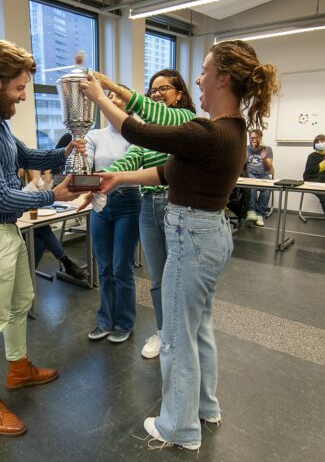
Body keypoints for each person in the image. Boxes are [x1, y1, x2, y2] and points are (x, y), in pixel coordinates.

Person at [81, 40, 279, 450]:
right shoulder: (231, 130)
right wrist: (118, 178)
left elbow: (136, 128)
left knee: (175, 337)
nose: (198, 79)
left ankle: (179, 428)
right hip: (208, 234)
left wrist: (101, 97)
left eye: (205, 71)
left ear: (224, 78)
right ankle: (205, 407)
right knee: (197, 330)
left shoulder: (208, 131)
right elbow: (167, 173)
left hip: (192, 238)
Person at [0, 39, 81, 437]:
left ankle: (19, 369)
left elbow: (24, 158)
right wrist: (52, 196)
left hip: (3, 231)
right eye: (20, 88)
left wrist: (65, 152)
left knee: (21, 302)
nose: (23, 96)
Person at [99, 69, 196, 358]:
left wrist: (107, 86)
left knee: (181, 276)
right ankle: (164, 332)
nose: (156, 94)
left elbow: (158, 113)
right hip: (148, 206)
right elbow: (132, 158)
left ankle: (184, 336)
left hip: (177, 204)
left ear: (179, 94)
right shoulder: (149, 133)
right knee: (157, 278)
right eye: (152, 89)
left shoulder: (184, 120)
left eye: (163, 88)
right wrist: (100, 177)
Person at [85, 89, 141, 344]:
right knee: (105, 267)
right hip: (100, 205)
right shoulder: (94, 134)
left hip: (128, 202)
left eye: (119, 98)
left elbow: (133, 167)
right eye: (108, 96)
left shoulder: (136, 133)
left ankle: (124, 322)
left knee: (122, 267)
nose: (113, 100)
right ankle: (105, 321)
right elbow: (86, 165)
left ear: (128, 106)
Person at [20, 169, 87, 279]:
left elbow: (43, 192)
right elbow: (22, 198)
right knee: (41, 229)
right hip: (14, 223)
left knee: (40, 238)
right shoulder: (10, 177)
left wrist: (43, 180)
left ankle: (27, 278)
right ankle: (66, 261)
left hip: (29, 219)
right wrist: (35, 181)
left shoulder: (28, 172)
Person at [244, 128, 274, 227]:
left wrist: (265, 158)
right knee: (252, 183)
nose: (253, 139)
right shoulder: (246, 148)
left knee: (268, 187)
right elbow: (241, 164)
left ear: (260, 138)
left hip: (262, 174)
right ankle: (251, 210)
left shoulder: (267, 149)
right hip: (250, 174)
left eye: (256, 138)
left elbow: (269, 168)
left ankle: (260, 214)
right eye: (251, 137)